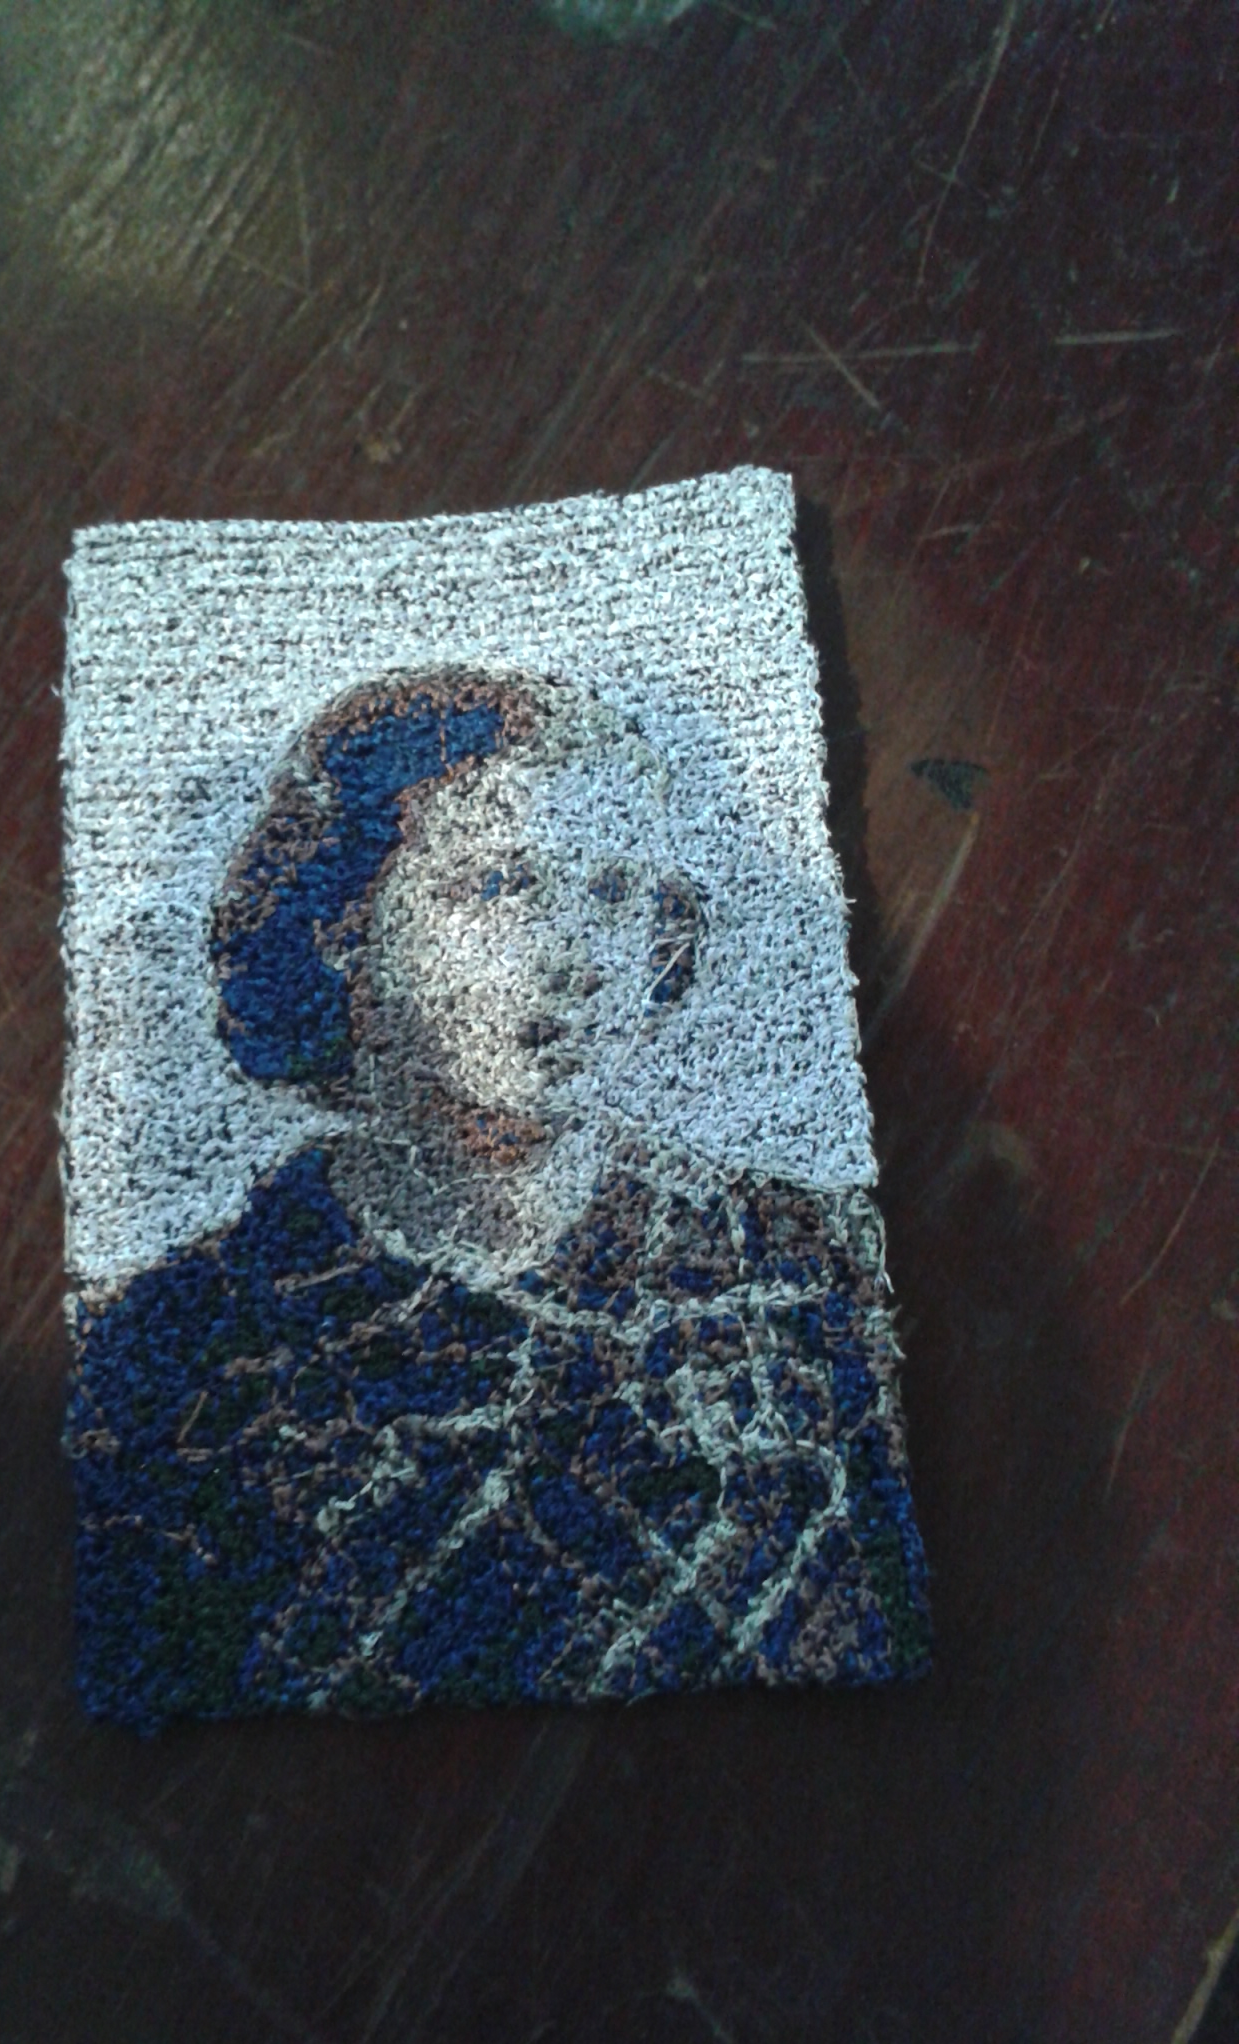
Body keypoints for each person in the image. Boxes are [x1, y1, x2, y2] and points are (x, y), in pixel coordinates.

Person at [68, 671, 929, 1727]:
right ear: (340, 926)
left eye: (614, 894)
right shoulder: (179, 1353)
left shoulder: (804, 1272)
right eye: (498, 886)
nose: (570, 958)